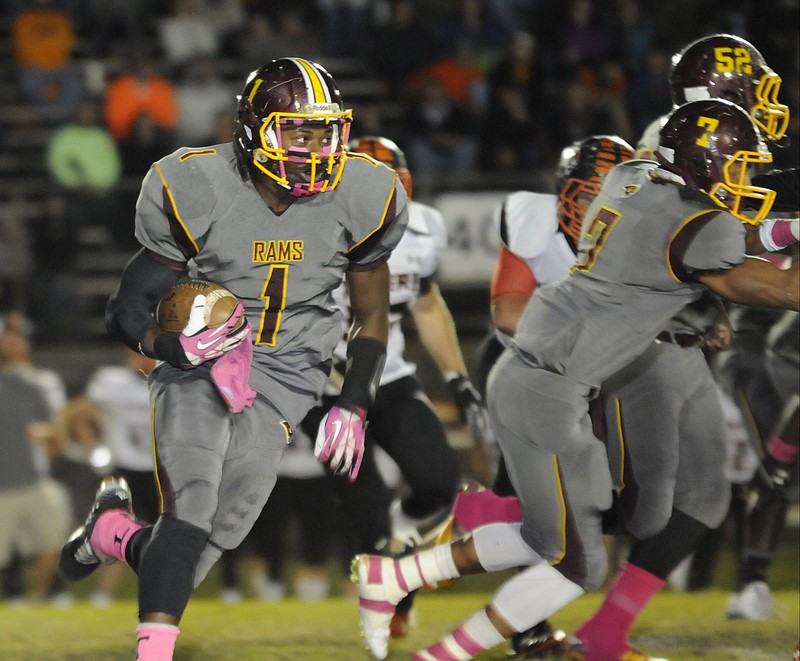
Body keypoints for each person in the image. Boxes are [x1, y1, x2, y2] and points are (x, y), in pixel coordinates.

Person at [351, 98, 799, 661]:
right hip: (550, 388)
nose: (746, 177)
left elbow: (742, 236)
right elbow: (784, 288)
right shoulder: (693, 224)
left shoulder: (634, 177)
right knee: (577, 563)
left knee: (555, 532)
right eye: (738, 165)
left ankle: (396, 575)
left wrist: (789, 226)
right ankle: (441, 655)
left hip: (540, 376)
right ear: (701, 161)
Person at [57, 57, 408, 661]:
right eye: (298, 132)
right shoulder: (198, 184)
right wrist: (172, 346)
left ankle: (113, 531)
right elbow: (128, 306)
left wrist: (353, 401)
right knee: (190, 503)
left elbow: (371, 314)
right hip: (207, 359)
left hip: (291, 375)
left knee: (205, 545)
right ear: (254, 128)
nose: (315, 148)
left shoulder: (367, 192)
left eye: (324, 133)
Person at [302, 135, 492, 636]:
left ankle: (400, 550)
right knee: (367, 502)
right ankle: (389, 593)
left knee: (436, 480)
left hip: (389, 376)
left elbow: (426, 305)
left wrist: (457, 378)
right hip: (325, 388)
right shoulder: (311, 230)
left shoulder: (423, 228)